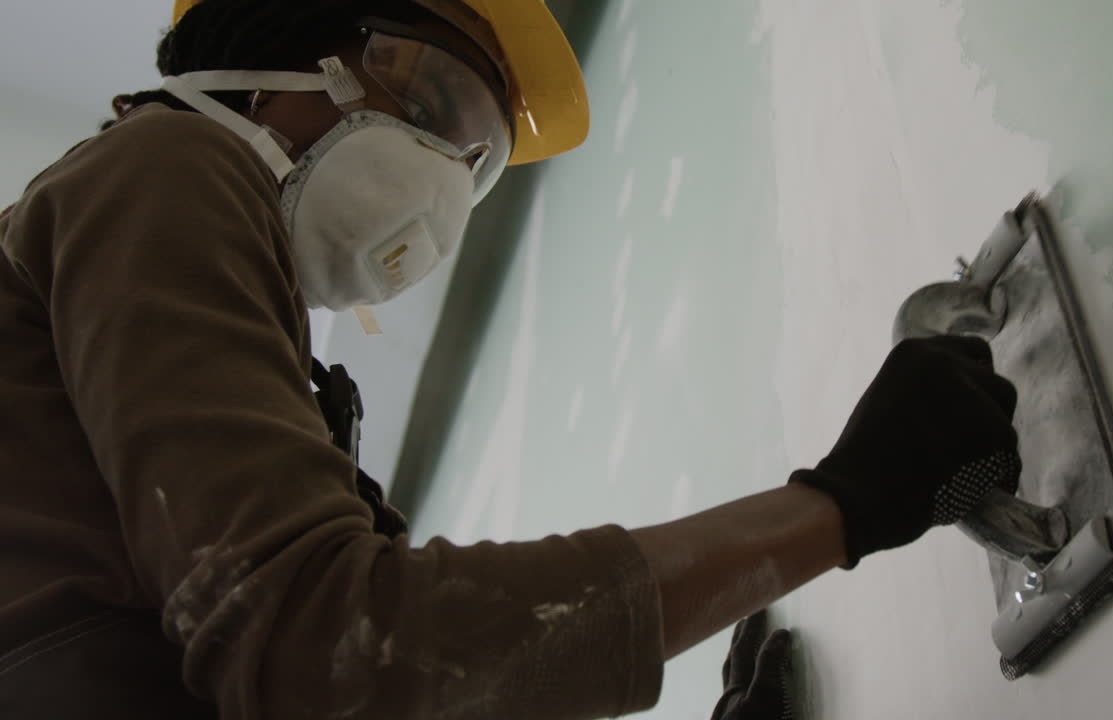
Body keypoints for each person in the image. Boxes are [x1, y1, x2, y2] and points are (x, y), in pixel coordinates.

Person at [0, 1, 1021, 718]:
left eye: (477, 158)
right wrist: (842, 504)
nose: (443, 175)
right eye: (430, 96)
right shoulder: (169, 161)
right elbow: (329, 655)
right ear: (274, 57)